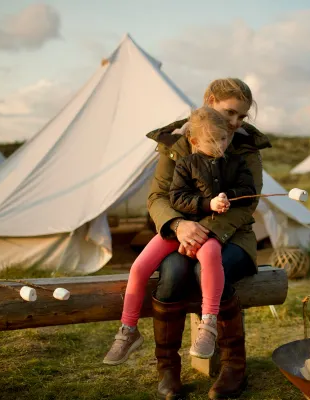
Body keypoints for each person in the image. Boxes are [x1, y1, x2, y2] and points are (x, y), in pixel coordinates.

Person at [111, 78, 270, 400]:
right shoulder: (177, 142)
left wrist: (208, 229)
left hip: (232, 235)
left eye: (242, 117)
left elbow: (249, 200)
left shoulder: (245, 145)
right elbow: (158, 196)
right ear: (210, 100)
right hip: (181, 232)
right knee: (171, 274)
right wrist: (179, 225)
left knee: (207, 270)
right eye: (230, 112)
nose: (236, 122)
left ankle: (233, 369)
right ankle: (167, 370)